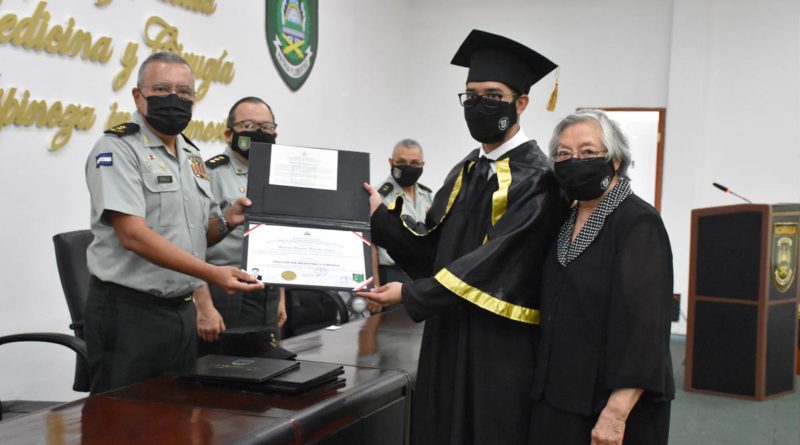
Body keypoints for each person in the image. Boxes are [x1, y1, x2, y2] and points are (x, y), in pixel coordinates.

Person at [357, 30, 566, 444]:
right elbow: (432, 248)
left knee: (489, 428)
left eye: (492, 94)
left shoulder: (538, 178)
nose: (477, 105)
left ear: (520, 103)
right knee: (442, 423)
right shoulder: (466, 170)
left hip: (499, 338)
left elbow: (496, 260)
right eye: (469, 95)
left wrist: (412, 295)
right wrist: (379, 219)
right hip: (451, 326)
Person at [84, 52, 263, 394]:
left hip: (181, 312)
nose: (174, 99)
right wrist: (211, 274)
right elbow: (133, 235)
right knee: (122, 421)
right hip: (129, 313)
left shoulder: (192, 155)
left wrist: (228, 219)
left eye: (184, 92)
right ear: (139, 96)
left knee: (175, 416)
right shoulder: (117, 149)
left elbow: (197, 236)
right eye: (162, 89)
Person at [528, 109, 674, 445]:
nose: (574, 160)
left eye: (589, 152)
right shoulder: (564, 218)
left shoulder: (638, 223)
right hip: (558, 396)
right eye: (564, 154)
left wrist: (616, 413)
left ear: (616, 160)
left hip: (610, 406)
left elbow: (646, 330)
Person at [195, 97, 287, 352]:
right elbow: (192, 244)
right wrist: (204, 307)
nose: (259, 133)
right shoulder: (209, 174)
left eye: (266, 128)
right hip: (225, 294)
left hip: (266, 292)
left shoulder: (278, 175)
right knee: (225, 376)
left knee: (266, 371)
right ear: (229, 133)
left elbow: (277, 237)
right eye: (249, 125)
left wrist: (280, 296)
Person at [376, 138, 433, 286]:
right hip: (391, 273)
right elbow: (370, 245)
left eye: (415, 163)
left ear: (422, 165)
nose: (408, 167)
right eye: (401, 162)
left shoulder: (428, 196)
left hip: (423, 274)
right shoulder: (378, 196)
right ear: (391, 162)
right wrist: (373, 284)